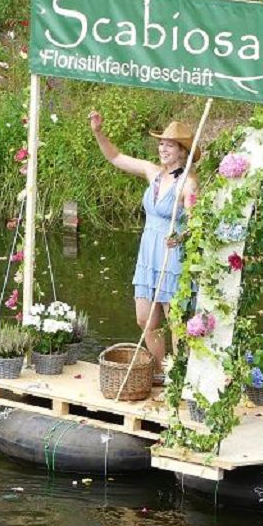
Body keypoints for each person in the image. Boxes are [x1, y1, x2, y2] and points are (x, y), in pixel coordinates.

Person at [88, 111, 199, 380]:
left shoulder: (188, 184)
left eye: (169, 145)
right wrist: (98, 132)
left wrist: (180, 237)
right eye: (161, 144)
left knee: (176, 323)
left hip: (172, 256)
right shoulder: (153, 173)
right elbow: (116, 157)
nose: (162, 149)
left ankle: (180, 378)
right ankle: (160, 372)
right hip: (148, 254)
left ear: (182, 151)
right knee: (145, 319)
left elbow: (196, 224)